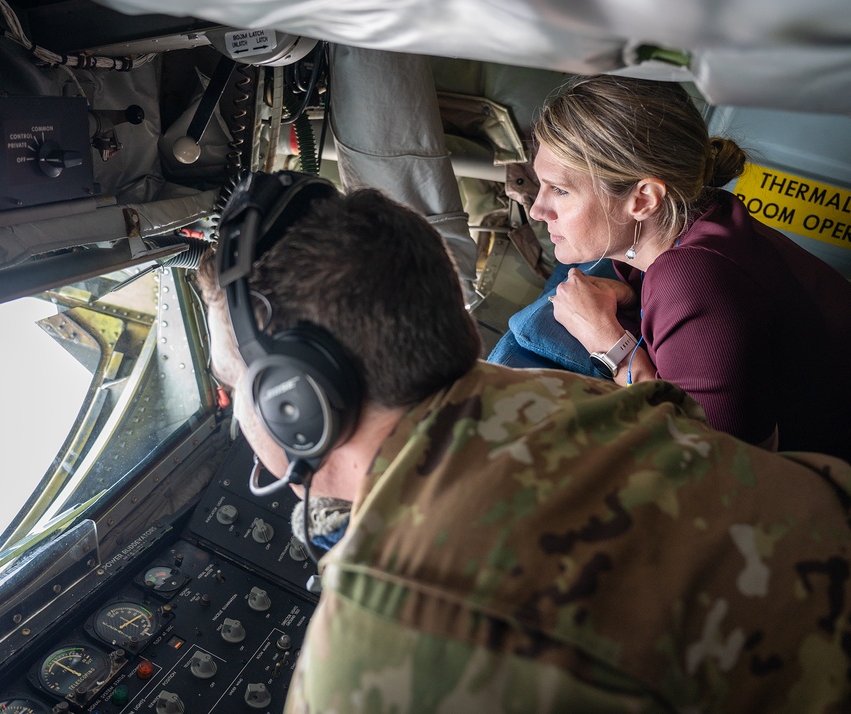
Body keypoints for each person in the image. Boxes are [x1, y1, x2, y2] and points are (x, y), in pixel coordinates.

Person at [198, 168, 851, 714]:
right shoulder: (569, 395)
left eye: (233, 385)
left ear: (293, 404)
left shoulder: (367, 660)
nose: (234, 406)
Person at [489, 74, 851, 461]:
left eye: (559, 190)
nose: (538, 210)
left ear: (643, 198)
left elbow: (720, 460)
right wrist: (634, 293)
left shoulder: (694, 280)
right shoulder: (708, 214)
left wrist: (609, 345)